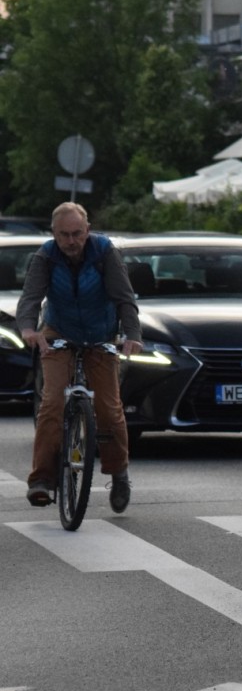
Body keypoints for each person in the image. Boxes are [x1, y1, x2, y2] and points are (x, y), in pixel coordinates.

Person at [17, 203, 143, 511]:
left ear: (87, 230)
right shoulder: (45, 256)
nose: (71, 241)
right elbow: (31, 298)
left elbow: (124, 299)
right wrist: (28, 330)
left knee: (109, 410)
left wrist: (133, 336)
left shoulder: (104, 253)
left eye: (77, 234)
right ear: (54, 234)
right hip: (58, 332)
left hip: (100, 335)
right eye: (64, 235)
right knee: (52, 404)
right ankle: (42, 480)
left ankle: (118, 473)